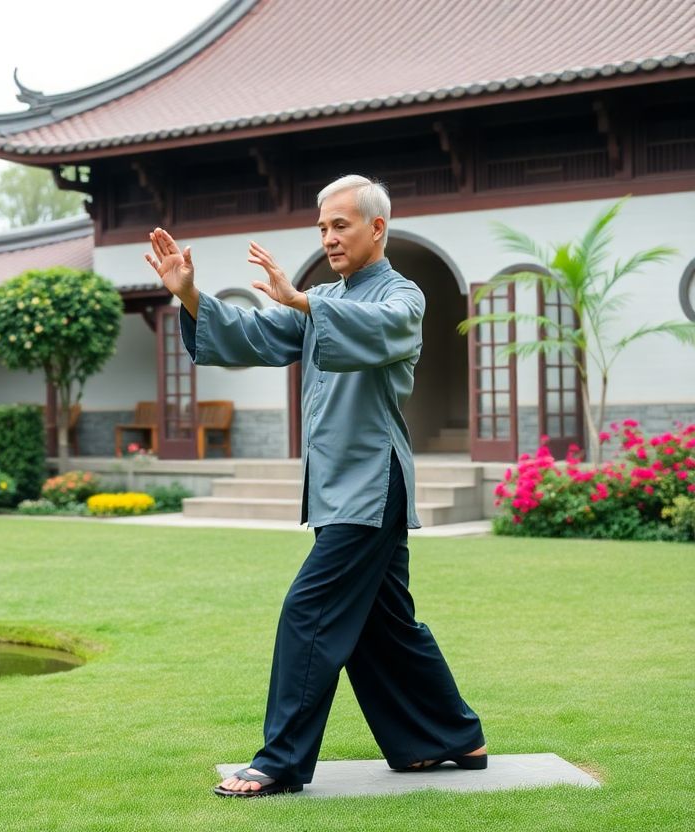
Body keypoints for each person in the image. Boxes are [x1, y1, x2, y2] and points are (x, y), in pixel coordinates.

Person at [144, 174, 486, 798]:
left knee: (311, 613)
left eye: (340, 225)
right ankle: (453, 735)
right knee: (386, 626)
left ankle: (280, 760)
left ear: (376, 228)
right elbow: (253, 336)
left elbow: (382, 331)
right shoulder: (325, 298)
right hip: (338, 491)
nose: (328, 238)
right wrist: (191, 296)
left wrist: (304, 303)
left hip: (372, 487)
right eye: (322, 228)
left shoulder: (403, 297)